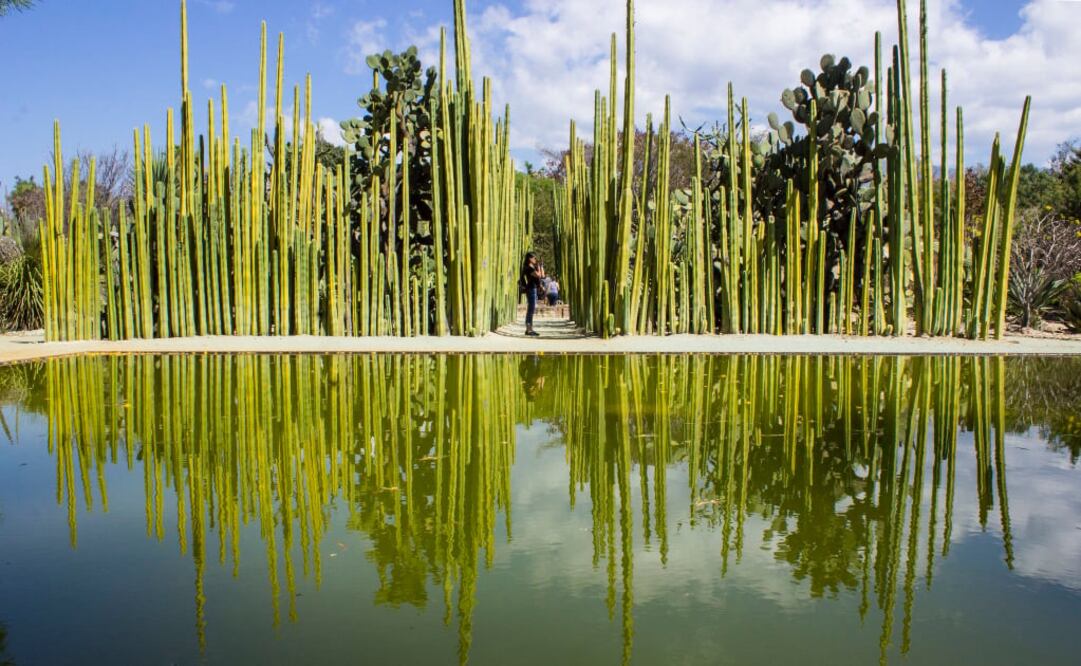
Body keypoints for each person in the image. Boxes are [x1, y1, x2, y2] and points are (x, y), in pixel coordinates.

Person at [519, 252, 544, 336]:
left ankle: (530, 329)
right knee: (531, 310)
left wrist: (540, 266)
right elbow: (538, 275)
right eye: (534, 258)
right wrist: (539, 267)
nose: (535, 259)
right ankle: (528, 329)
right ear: (530, 259)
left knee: (531, 309)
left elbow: (542, 275)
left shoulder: (531, 267)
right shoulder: (528, 268)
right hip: (531, 289)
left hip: (533, 289)